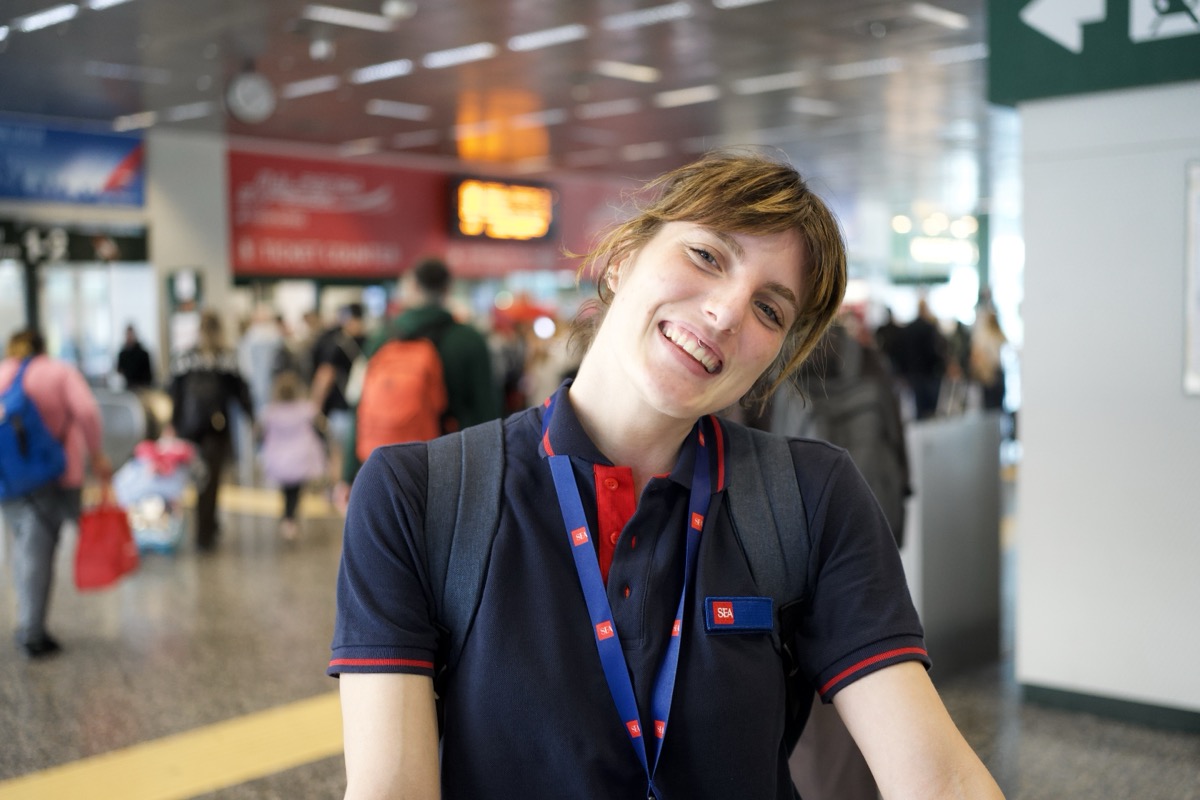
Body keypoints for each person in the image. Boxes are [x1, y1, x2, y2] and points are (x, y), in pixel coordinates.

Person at [328, 151, 1004, 799]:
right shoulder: (419, 495)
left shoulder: (811, 496)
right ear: (623, 258)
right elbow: (392, 788)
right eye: (706, 256)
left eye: (770, 309)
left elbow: (938, 778)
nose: (727, 311)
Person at [758, 315, 913, 800]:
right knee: (869, 672)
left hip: (787, 530)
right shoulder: (864, 356)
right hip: (867, 522)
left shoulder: (771, 362)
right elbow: (893, 436)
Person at [334, 258, 501, 507]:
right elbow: (487, 411)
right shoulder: (470, 340)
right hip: (453, 468)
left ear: (411, 286)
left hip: (386, 465)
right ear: (447, 289)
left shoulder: (381, 338)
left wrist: (348, 476)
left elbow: (360, 405)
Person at [0, 330, 112, 658]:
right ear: (43, 347)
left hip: (9, 477)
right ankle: (33, 632)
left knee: (21, 548)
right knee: (39, 551)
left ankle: (26, 621)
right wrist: (95, 452)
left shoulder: (3, 372)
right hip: (54, 474)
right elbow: (88, 412)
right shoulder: (59, 372)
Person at [168, 310, 254, 552]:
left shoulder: (184, 357)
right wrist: (253, 419)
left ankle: (206, 526)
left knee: (197, 480)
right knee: (211, 480)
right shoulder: (226, 357)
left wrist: (173, 424)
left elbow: (174, 393)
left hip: (188, 429)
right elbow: (241, 393)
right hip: (217, 429)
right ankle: (205, 532)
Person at [258, 370, 326, 540]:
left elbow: (259, 433)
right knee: (295, 491)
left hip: (278, 459)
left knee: (286, 490)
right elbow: (321, 428)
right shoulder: (306, 409)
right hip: (300, 458)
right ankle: (291, 518)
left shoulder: (269, 412)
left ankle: (287, 517)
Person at [310, 303, 366, 490]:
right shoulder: (372, 341)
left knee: (338, 455)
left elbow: (325, 376)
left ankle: (339, 494)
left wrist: (316, 405)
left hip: (341, 409)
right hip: (367, 410)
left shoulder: (338, 344)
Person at [115, 323, 155, 389]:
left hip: (141, 388)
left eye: (131, 334)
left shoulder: (143, 354)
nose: (129, 337)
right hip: (127, 388)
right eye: (128, 334)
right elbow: (119, 372)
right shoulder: (122, 354)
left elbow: (148, 376)